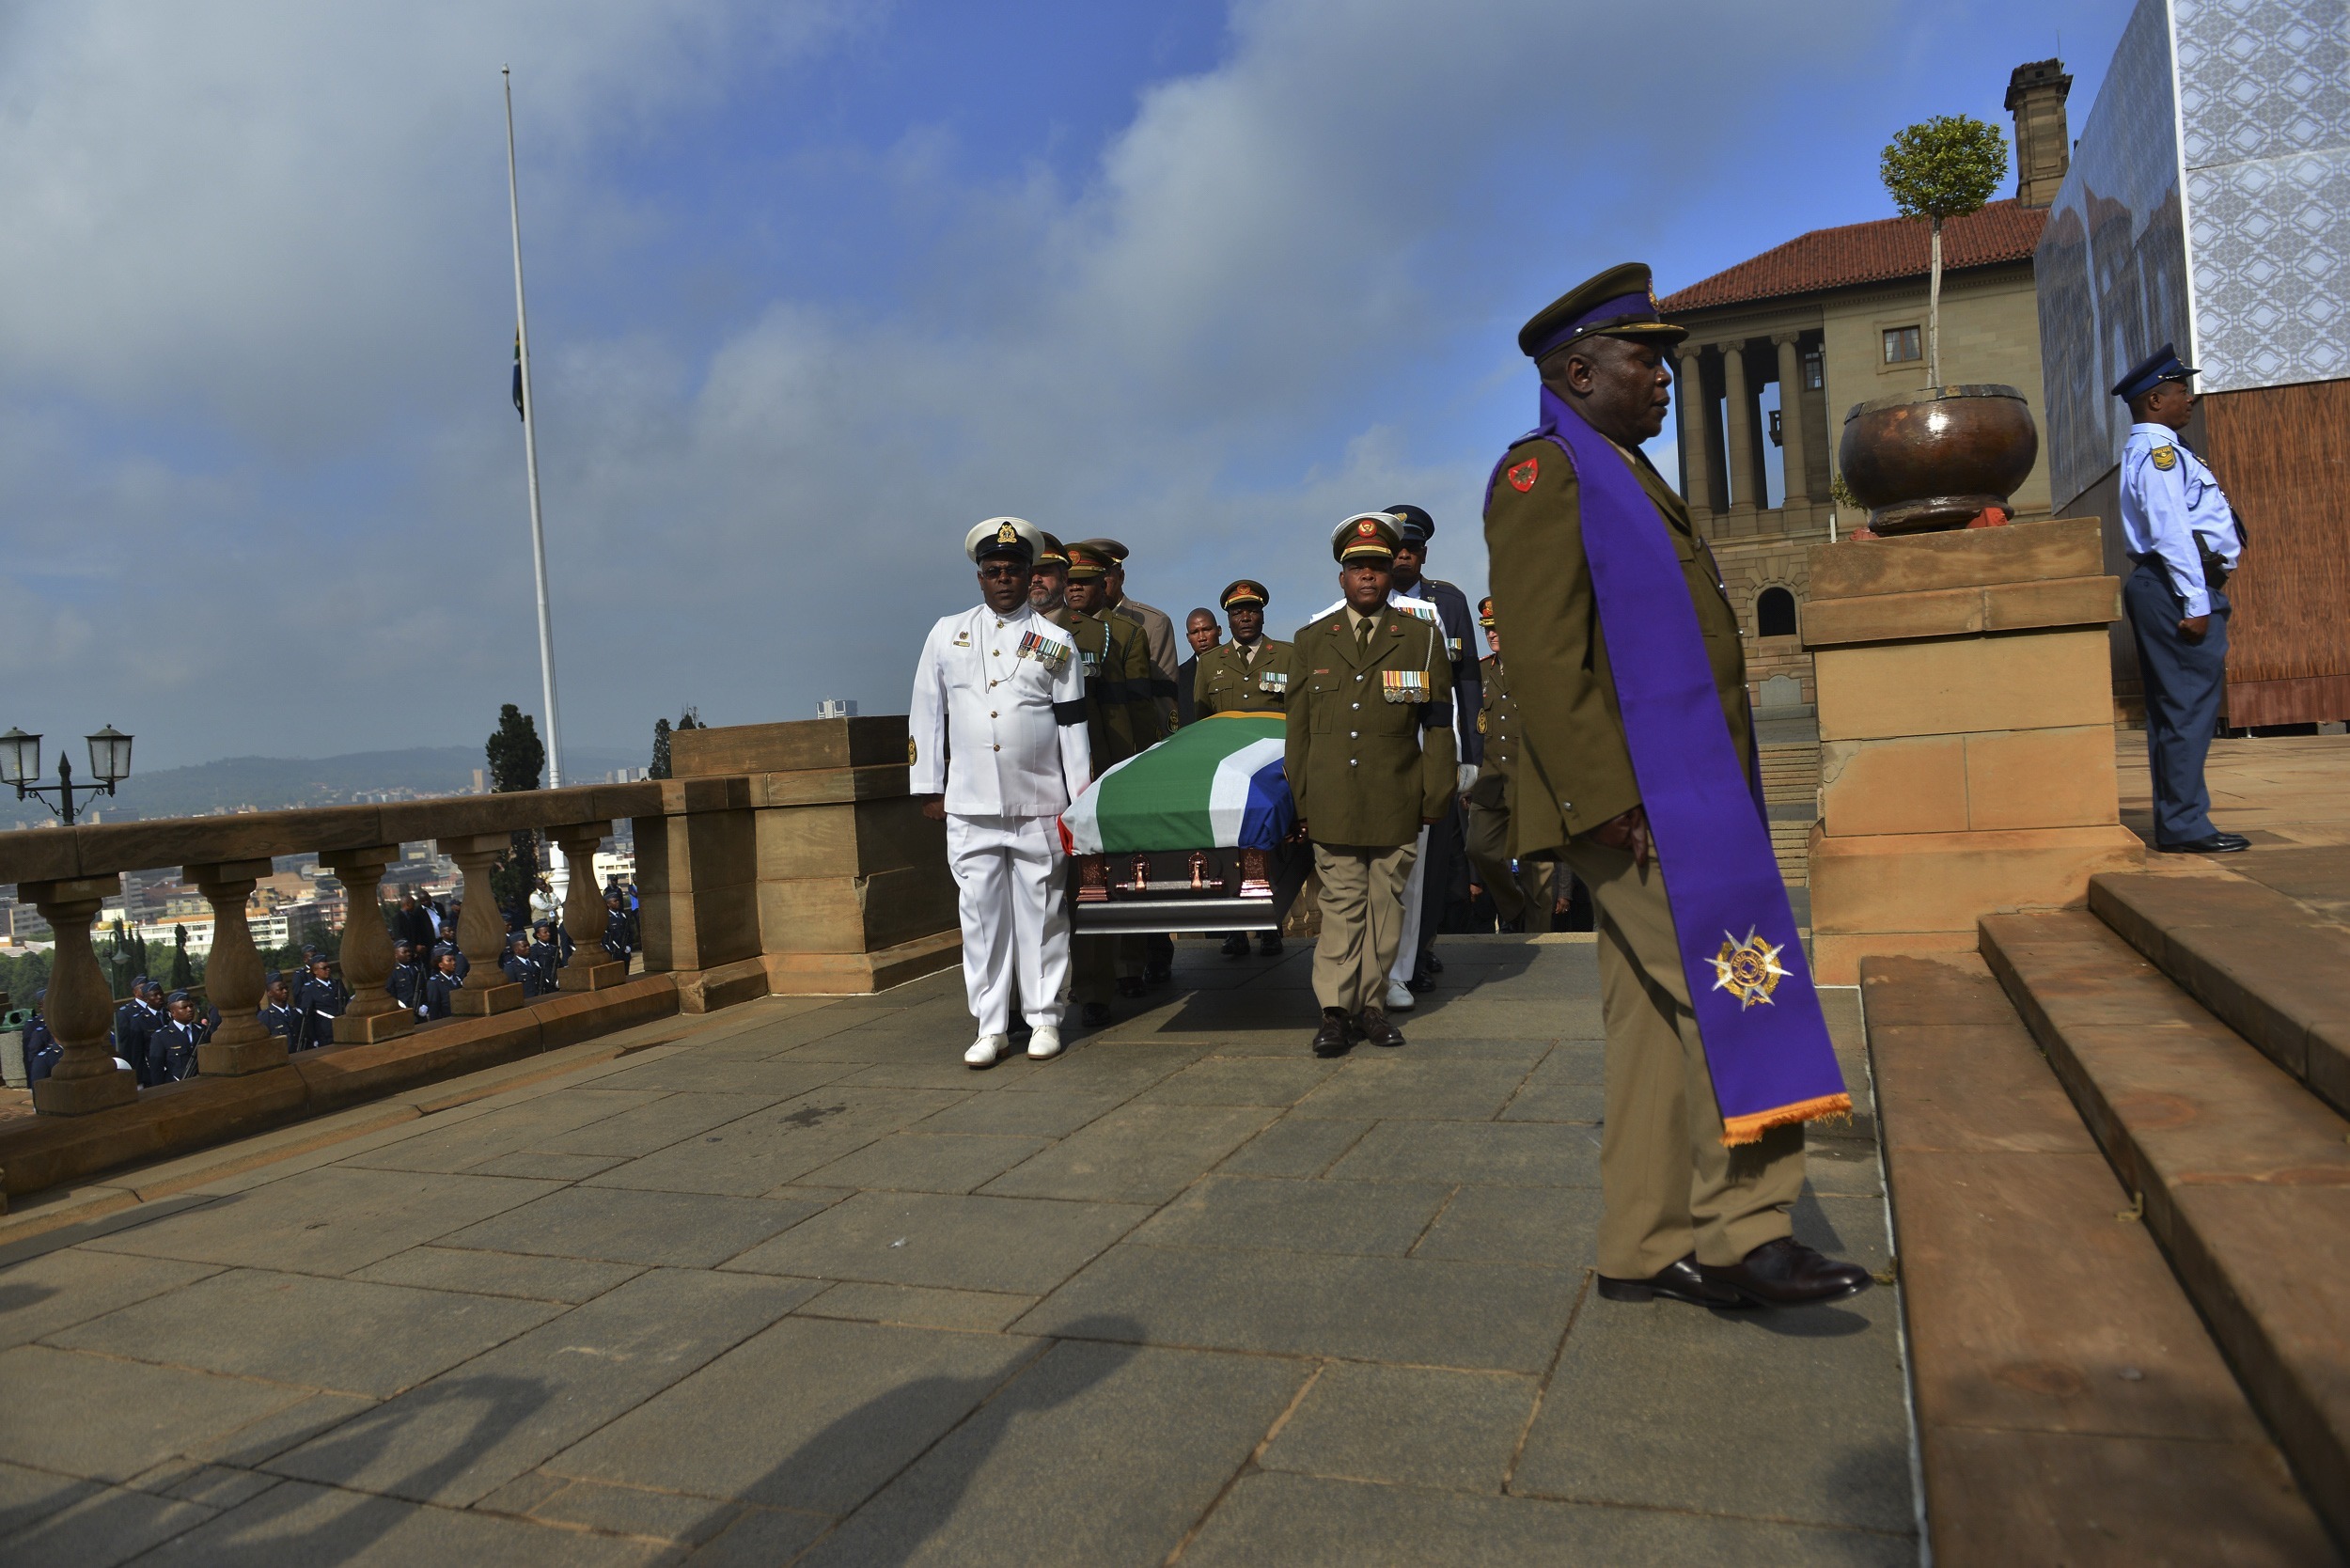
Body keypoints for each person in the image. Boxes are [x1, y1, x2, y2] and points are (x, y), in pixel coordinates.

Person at [1486, 260, 1867, 1309]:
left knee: (1652, 1022)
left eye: (1664, 360)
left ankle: (1642, 1244)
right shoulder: (1545, 477)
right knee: (1734, 986)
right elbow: (1544, 656)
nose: (1663, 377)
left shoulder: (1623, 472)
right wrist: (1610, 798)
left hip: (1674, 796)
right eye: (1643, 358)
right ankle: (1747, 1234)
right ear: (1575, 370)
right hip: (1637, 807)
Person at [910, 515, 1093, 1067]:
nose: (1004, 580)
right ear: (980, 578)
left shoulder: (1057, 643)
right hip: (969, 803)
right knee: (981, 918)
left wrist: (1080, 800)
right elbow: (926, 714)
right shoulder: (946, 633)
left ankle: (1044, 1018)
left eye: (1014, 571)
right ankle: (990, 1025)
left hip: (1040, 801)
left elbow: (1073, 726)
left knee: (1043, 913)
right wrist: (928, 787)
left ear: (1029, 575)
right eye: (993, 571)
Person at [1285, 510, 1457, 1057]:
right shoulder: (1311, 641)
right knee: (1342, 905)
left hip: (1396, 795)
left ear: (1390, 574)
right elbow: (1299, 733)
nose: (1368, 576)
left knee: (1387, 909)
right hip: (1333, 797)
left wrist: (1436, 795)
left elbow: (1437, 725)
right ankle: (1335, 1012)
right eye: (1357, 567)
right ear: (1341, 576)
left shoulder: (1423, 638)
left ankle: (1373, 1007)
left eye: (1378, 567)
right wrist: (1302, 800)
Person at [2114, 344, 2248, 854]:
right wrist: (2196, 603)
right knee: (2188, 710)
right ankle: (2186, 825)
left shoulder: (2164, 447)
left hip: (2168, 585)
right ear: (2154, 401)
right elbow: (2170, 529)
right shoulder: (2159, 451)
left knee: (2178, 712)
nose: (2188, 399)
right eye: (2178, 391)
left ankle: (2181, 821)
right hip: (2175, 587)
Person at [1044, 537, 1166, 1026]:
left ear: (1102, 585)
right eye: (1069, 582)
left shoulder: (1121, 635)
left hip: (1104, 772)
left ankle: (1109, 979)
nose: (1075, 591)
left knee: (1103, 880)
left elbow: (1141, 711)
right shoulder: (1029, 635)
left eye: (1085, 583)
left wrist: (1140, 769)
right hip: (1043, 776)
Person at [1385, 505, 1482, 996]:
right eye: (1396, 548)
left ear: (1424, 553)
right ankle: (1394, 955)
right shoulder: (1365, 602)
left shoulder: (1450, 602)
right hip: (1388, 753)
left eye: (1412, 548)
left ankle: (1419, 948)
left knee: (1436, 857)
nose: (1404, 556)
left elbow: (1468, 679)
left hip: (1438, 747)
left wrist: (1473, 754)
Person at [1079, 537, 1183, 985]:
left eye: (1104, 575)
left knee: (1140, 862)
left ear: (1117, 577)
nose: (1096, 582)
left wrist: (1158, 754)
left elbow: (1160, 698)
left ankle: (1147, 951)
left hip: (1136, 748)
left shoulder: (1148, 623)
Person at [1194, 578, 1292, 959]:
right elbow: (1202, 719)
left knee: (1272, 847)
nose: (1245, 616)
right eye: (1237, 612)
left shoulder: (1286, 655)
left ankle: (1272, 926)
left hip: (1272, 773)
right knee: (1229, 847)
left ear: (1262, 613)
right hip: (1229, 773)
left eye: (1251, 609)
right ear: (1228, 619)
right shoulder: (1209, 663)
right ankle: (1234, 930)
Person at [1465, 595, 1557, 933]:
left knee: (1539, 874)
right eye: (1488, 629)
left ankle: (1539, 942)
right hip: (1490, 783)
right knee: (1478, 849)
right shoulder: (1480, 671)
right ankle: (1513, 906)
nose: (1492, 635)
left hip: (1534, 786)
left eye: (1498, 628)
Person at [149, 991, 207, 1083]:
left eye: (191, 1006)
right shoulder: (161, 1036)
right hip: (177, 1086)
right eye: (184, 1007)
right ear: (173, 1012)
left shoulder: (202, 1031)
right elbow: (157, 1070)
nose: (190, 1009)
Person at [295, 954, 349, 1051]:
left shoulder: (337, 984)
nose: (328, 970)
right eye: (324, 968)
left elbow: (346, 1003)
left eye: (329, 967)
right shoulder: (310, 989)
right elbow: (308, 1016)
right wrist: (314, 1038)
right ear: (315, 971)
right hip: (325, 1033)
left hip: (342, 1028)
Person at [1177, 608, 1220, 728]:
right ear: (1188, 637)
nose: (1201, 637)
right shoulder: (1178, 676)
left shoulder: (1236, 663)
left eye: (1206, 629)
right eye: (1195, 632)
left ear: (1219, 630)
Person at [502, 932, 546, 998]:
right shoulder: (510, 967)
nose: (528, 948)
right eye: (524, 946)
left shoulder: (534, 963)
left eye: (528, 945)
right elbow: (512, 992)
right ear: (516, 949)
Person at [421, 949, 464, 1018]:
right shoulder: (434, 982)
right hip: (446, 1019)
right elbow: (434, 1007)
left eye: (454, 960)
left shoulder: (458, 979)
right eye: (449, 960)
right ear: (441, 965)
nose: (454, 963)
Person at [258, 971, 298, 1044]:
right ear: (269, 993)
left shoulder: (297, 1013)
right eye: (280, 989)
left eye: (286, 988)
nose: (285, 991)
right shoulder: (265, 1018)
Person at [386, 938, 425, 1011]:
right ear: (395, 955)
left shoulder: (416, 968)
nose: (408, 954)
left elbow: (424, 989)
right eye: (405, 952)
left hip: (420, 1010)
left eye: (409, 951)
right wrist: (399, 1004)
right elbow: (390, 993)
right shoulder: (392, 972)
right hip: (402, 1011)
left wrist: (425, 1005)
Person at [602, 888, 635, 965]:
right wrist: (611, 950)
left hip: (625, 952)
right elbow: (605, 938)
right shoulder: (606, 918)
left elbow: (630, 933)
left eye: (618, 900)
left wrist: (629, 946)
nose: (618, 902)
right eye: (615, 901)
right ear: (608, 904)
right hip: (614, 953)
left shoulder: (623, 916)